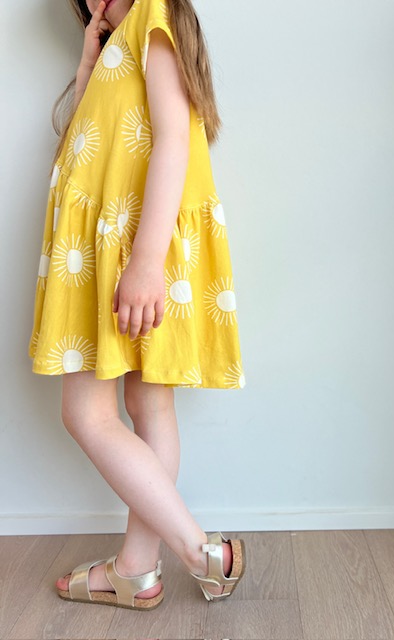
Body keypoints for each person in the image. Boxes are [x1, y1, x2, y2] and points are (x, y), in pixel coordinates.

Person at [28, 0, 247, 610]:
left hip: (134, 251)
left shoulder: (154, 14)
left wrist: (147, 262)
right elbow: (88, 146)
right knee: (149, 408)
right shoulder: (120, 42)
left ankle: (200, 551)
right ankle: (136, 570)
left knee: (87, 415)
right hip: (114, 250)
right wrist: (87, 65)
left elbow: (174, 142)